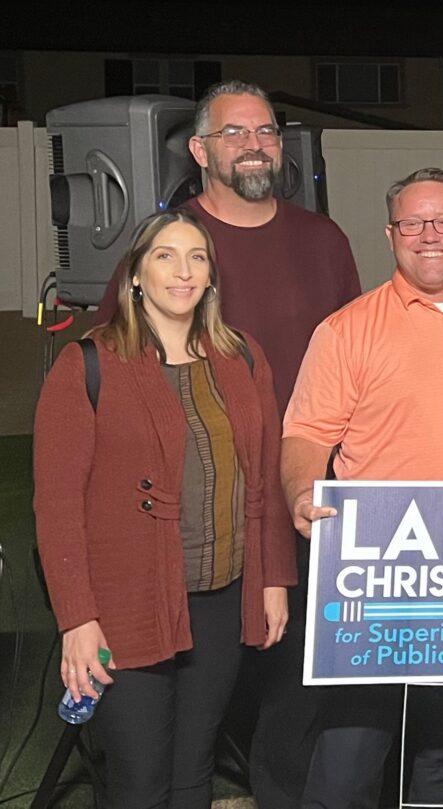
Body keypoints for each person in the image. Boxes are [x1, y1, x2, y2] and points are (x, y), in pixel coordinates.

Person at [94, 79, 361, 808]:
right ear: (200, 149)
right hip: (199, 519)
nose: (255, 145)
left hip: (304, 503)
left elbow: (356, 364)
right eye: (236, 133)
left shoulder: (323, 239)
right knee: (192, 709)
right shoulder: (168, 245)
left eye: (267, 132)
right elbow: (113, 380)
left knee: (296, 678)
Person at [282, 167, 443, 808]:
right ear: (391, 234)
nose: (430, 235)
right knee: (349, 754)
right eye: (413, 223)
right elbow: (307, 435)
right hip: (378, 574)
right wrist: (297, 492)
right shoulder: (345, 329)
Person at [34, 210, 294, 809]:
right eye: (165, 256)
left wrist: (274, 578)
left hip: (221, 600)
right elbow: (56, 506)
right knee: (140, 780)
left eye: (197, 257)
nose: (184, 271)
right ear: (134, 276)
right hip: (124, 607)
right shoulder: (88, 364)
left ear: (211, 275)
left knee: (193, 770)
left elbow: (266, 478)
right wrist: (77, 620)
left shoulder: (242, 356)